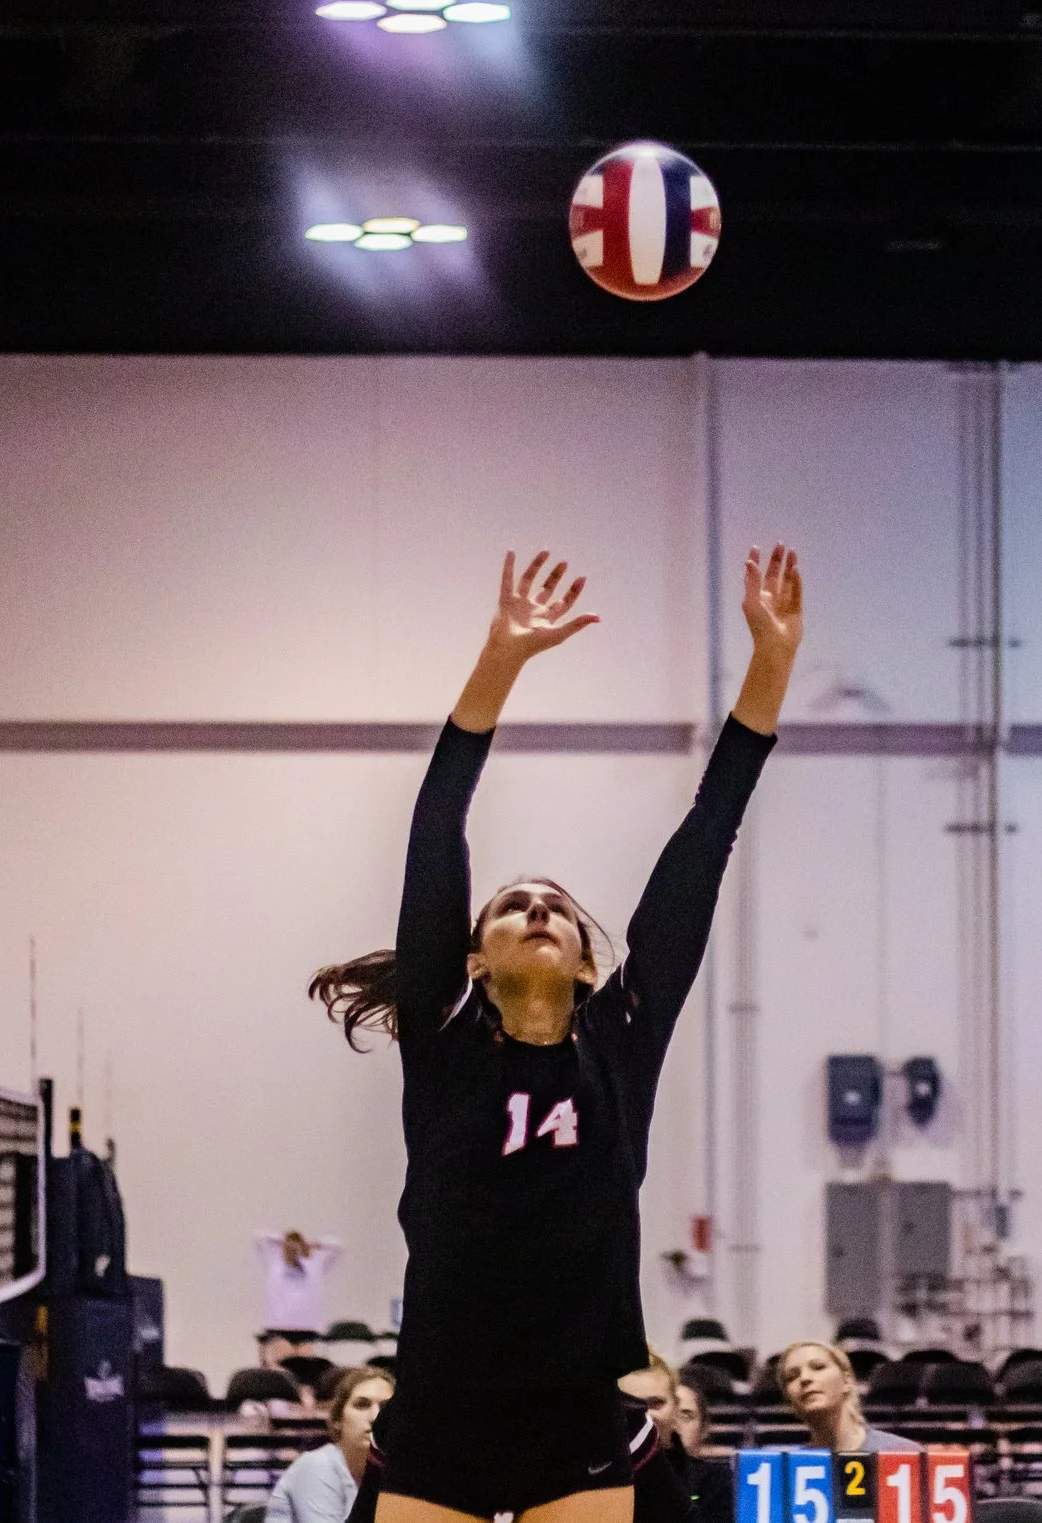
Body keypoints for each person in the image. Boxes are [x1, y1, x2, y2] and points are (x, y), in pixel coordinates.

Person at [310, 546, 802, 1523]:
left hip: (575, 1405)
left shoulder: (620, 1041)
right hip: (445, 1403)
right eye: (511, 906)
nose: (536, 908)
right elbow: (437, 820)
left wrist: (771, 665)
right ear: (474, 959)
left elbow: (709, 831)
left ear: (585, 959)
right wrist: (500, 659)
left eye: (556, 907)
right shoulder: (443, 1042)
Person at [266, 1366, 392, 1523]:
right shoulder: (317, 1465)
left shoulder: (392, 1474)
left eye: (386, 1408)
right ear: (337, 1420)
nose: (375, 1417)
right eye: (361, 1405)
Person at [621, 1352, 732, 1523]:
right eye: (633, 1405)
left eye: (656, 1404)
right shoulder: (590, 1482)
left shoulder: (717, 1482)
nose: (646, 1415)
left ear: (675, 1409)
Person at [778, 1340, 919, 1453]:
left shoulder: (903, 1453)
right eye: (792, 1376)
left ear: (847, 1381)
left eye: (818, 1367)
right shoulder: (789, 1470)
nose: (804, 1378)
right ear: (789, 1400)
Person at [256, 1230, 343, 1365]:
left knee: (305, 1369)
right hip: (280, 1327)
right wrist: (285, 1241)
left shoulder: (314, 1264)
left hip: (306, 1327)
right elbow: (260, 1237)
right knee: (283, 1364)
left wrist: (314, 1244)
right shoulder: (275, 1262)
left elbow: (337, 1246)